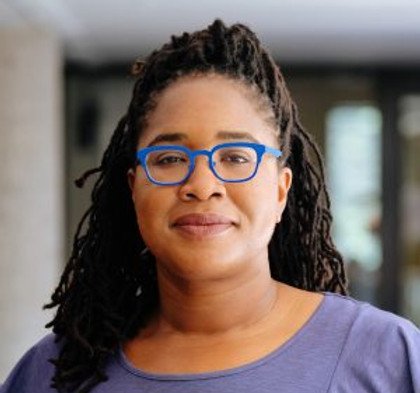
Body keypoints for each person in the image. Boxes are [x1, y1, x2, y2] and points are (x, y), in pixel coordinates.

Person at [1, 19, 419, 393]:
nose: (202, 186)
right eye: (170, 159)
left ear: (280, 190)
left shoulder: (386, 356)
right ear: (134, 188)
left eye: (235, 157)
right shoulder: (59, 371)